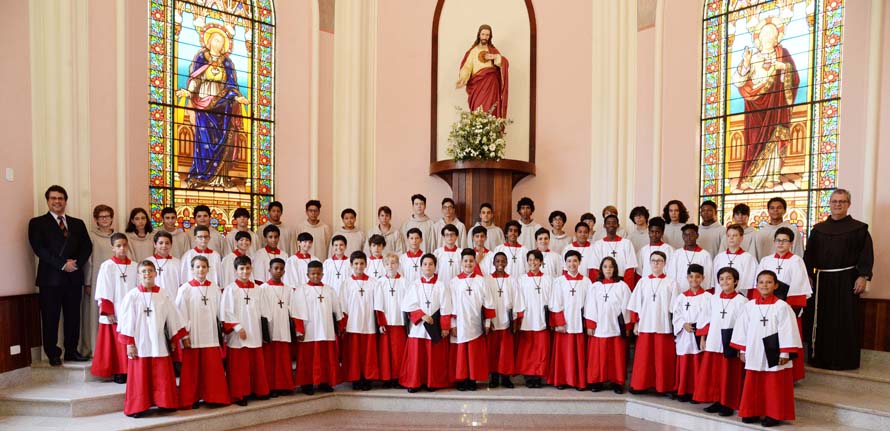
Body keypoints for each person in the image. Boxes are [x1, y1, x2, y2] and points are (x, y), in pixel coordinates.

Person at [804, 189, 874, 371]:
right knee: (822, 320)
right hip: (822, 281)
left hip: (847, 280)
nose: (838, 204)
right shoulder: (818, 230)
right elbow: (808, 256)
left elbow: (866, 255)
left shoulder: (859, 229)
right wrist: (808, 277)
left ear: (848, 204)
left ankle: (845, 360)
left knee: (846, 320)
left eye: (842, 201)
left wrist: (863, 276)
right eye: (835, 201)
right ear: (830, 203)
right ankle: (819, 358)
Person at [176, 27, 248, 188]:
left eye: (221, 41)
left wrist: (237, 97)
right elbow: (196, 77)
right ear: (208, 41)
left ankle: (220, 178)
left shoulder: (227, 62)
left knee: (222, 141)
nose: (218, 43)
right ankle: (200, 175)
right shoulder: (201, 57)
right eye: (216, 39)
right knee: (204, 141)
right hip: (203, 103)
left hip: (223, 107)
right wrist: (188, 91)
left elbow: (231, 85)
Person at [732, 20, 800, 191]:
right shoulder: (753, 57)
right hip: (754, 105)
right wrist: (746, 63)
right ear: (759, 38)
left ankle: (771, 176)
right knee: (754, 141)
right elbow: (739, 81)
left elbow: (794, 77)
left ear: (777, 37)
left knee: (773, 138)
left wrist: (783, 66)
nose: (768, 37)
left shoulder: (782, 54)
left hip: (776, 104)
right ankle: (751, 177)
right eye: (765, 34)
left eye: (772, 34)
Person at [731, 270, 802, 427]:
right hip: (754, 349)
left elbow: (788, 330)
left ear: (775, 285)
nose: (764, 285)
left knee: (773, 384)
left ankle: (773, 414)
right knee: (753, 382)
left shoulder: (782, 307)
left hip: (774, 350)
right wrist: (742, 350)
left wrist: (785, 352)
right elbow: (742, 328)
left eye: (769, 282)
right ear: (756, 285)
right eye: (761, 282)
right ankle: (751, 411)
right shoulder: (749, 306)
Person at [117, 260, 188, 418]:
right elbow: (127, 321)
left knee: (161, 373)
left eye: (150, 271)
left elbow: (172, 317)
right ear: (138, 275)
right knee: (139, 375)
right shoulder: (132, 296)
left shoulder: (163, 294)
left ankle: (165, 403)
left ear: (155, 273)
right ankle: (138, 406)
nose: (147, 274)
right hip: (140, 341)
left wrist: (172, 339)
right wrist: (129, 343)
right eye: (144, 271)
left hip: (159, 341)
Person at [756, 227, 811, 382]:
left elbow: (799, 286)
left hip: (787, 308)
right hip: (766, 307)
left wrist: (790, 309)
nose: (781, 243)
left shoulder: (796, 261)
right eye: (778, 240)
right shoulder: (766, 260)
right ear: (774, 242)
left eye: (785, 240)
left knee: (787, 337)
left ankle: (791, 375)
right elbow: (758, 285)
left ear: (791, 243)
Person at [175, 255, 230, 410]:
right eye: (197, 267)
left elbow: (222, 311)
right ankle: (191, 398)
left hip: (211, 335)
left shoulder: (214, 288)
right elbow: (179, 313)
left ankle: (213, 397)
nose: (201, 270)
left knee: (212, 369)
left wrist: (223, 332)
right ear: (192, 269)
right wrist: (184, 335)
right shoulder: (185, 289)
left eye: (204, 267)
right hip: (193, 335)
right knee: (192, 370)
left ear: (208, 269)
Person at [693, 267, 748, 417]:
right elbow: (705, 318)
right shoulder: (713, 298)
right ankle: (717, 400)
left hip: (731, 343)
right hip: (714, 340)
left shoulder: (742, 301)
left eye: (729, 278)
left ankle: (728, 403)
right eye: (722, 279)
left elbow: (744, 325)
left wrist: (741, 347)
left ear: (736, 281)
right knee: (716, 373)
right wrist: (703, 338)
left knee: (729, 374)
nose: (725, 281)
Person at [220, 256, 271, 406]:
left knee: (255, 364)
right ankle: (239, 394)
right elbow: (226, 311)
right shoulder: (231, 289)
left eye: (247, 268)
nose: (245, 271)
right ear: (236, 271)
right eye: (241, 269)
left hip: (254, 332)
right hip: (239, 334)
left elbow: (264, 310)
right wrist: (237, 327)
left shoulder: (257, 289)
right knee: (239, 367)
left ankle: (258, 390)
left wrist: (265, 331)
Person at [628, 251, 680, 395]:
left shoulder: (671, 282)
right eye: (653, 261)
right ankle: (640, 385)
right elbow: (635, 305)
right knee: (644, 358)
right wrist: (636, 323)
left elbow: (675, 307)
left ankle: (665, 387)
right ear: (649, 263)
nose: (656, 263)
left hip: (663, 325)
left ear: (664, 263)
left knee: (663, 358)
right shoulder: (643, 281)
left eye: (659, 261)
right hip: (645, 323)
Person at [400, 253, 452, 393]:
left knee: (432, 357)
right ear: (421, 267)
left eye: (431, 264)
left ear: (435, 266)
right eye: (425, 264)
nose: (428, 267)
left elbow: (446, 307)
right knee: (417, 356)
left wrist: (445, 327)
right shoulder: (415, 285)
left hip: (434, 326)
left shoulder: (441, 285)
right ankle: (414, 382)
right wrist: (421, 315)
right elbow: (407, 305)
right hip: (418, 326)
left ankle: (431, 382)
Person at [291, 260, 343, 395]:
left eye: (318, 274)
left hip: (326, 329)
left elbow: (337, 309)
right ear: (307, 274)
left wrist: (340, 325)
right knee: (308, 359)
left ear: (323, 274)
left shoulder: (329, 289)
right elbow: (296, 311)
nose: (315, 276)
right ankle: (306, 384)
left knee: (326, 357)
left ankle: (324, 381)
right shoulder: (301, 290)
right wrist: (299, 330)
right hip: (310, 330)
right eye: (313, 273)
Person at [448, 249, 496, 391]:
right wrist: (452, 324)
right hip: (460, 322)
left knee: (474, 353)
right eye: (465, 261)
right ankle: (461, 380)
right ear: (461, 262)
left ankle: (472, 380)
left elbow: (488, 302)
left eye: (471, 260)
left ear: (475, 262)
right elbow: (451, 304)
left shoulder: (481, 281)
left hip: (475, 322)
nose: (468, 263)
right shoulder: (454, 282)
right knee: (461, 353)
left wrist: (487, 322)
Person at [91, 233, 135, 382]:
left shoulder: (135, 266)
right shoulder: (107, 266)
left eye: (124, 245)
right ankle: (119, 371)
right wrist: (108, 311)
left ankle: (131, 370)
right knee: (116, 343)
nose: (122, 249)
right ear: (113, 248)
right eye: (118, 246)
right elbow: (104, 288)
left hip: (130, 309)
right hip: (114, 309)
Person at [584, 257, 632, 393]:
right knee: (598, 357)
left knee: (616, 357)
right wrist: (590, 325)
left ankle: (617, 382)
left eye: (611, 267)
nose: (608, 269)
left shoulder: (622, 286)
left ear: (615, 269)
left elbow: (627, 307)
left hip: (616, 327)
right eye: (605, 267)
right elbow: (590, 306)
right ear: (601, 269)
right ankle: (597, 381)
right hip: (599, 327)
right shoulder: (595, 286)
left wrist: (627, 327)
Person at [549, 250, 590, 390]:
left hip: (579, 323)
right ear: (565, 263)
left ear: (579, 262)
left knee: (578, 354)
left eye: (575, 261)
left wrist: (587, 323)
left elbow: (590, 304)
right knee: (563, 354)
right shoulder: (559, 281)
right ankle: (561, 380)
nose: (572, 264)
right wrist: (559, 322)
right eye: (569, 261)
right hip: (564, 324)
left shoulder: (586, 281)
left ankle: (579, 381)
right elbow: (555, 303)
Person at [339, 251, 380, 391]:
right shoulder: (346, 283)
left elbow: (378, 304)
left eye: (362, 263)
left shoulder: (374, 282)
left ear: (366, 265)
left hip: (368, 323)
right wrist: (344, 323)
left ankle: (367, 378)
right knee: (354, 354)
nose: (359, 266)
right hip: (353, 324)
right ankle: (355, 379)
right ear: (351, 265)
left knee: (368, 354)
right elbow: (343, 305)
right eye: (356, 263)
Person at [81, 204, 117, 357]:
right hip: (96, 279)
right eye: (101, 217)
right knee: (95, 314)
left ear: (111, 218)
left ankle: (115, 349)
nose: (105, 219)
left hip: (116, 282)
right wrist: (88, 281)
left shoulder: (119, 236)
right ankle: (96, 349)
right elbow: (88, 260)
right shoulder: (91, 236)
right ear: (96, 219)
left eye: (107, 216)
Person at [671, 264, 709, 403]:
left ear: (702, 278)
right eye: (691, 276)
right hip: (684, 333)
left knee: (697, 363)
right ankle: (683, 390)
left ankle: (696, 392)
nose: (694, 279)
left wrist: (702, 333)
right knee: (684, 362)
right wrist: (683, 324)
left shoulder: (707, 297)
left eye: (697, 276)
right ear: (687, 278)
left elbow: (708, 316)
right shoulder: (681, 297)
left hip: (699, 335)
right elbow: (676, 314)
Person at [514, 250, 552, 388]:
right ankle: (529, 377)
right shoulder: (521, 279)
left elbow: (551, 300)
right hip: (528, 319)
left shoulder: (548, 279)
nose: (533, 262)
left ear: (541, 262)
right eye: (530, 260)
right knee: (528, 351)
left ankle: (538, 376)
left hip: (542, 318)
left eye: (536, 260)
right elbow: (518, 299)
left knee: (541, 350)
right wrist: (519, 317)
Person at [456, 24, 509, 119]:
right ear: (479, 35)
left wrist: (495, 57)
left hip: (491, 86)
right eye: (483, 34)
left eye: (487, 35)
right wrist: (462, 78)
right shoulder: (473, 51)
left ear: (490, 36)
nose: (485, 37)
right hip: (477, 87)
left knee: (491, 110)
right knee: (478, 110)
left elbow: (504, 63)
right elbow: (467, 67)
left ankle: (492, 132)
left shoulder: (493, 51)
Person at [486, 253, 521, 389]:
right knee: (493, 351)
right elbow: (486, 300)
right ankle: (494, 377)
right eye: (497, 261)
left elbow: (517, 299)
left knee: (506, 351)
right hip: (494, 319)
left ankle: (506, 378)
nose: (500, 263)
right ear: (493, 263)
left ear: (507, 263)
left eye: (503, 261)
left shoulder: (512, 280)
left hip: (507, 320)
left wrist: (515, 320)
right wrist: (488, 321)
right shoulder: (488, 280)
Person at [262, 258, 296, 396]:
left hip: (284, 327)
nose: (278, 271)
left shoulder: (288, 289)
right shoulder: (263, 288)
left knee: (283, 358)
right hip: (270, 327)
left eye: (281, 269)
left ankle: (285, 385)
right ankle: (271, 387)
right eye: (275, 268)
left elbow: (293, 309)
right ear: (269, 270)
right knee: (270, 360)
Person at [375, 253, 409, 388]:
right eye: (388, 263)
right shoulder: (380, 282)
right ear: (384, 265)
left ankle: (399, 378)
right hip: (386, 323)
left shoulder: (404, 282)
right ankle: (387, 378)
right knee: (386, 353)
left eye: (394, 263)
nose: (391, 266)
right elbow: (378, 304)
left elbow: (408, 302)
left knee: (398, 353)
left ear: (398, 265)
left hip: (399, 322)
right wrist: (381, 323)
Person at [590, 215, 638, 289]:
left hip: (622, 282)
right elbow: (595, 268)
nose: (611, 225)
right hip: (603, 283)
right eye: (608, 223)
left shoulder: (626, 243)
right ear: (604, 225)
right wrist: (599, 285)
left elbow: (630, 268)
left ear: (618, 225)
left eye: (614, 223)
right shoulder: (598, 244)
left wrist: (627, 287)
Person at [712, 224, 756, 297]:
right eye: (729, 236)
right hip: (720, 296)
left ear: (741, 238)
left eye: (735, 235)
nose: (731, 238)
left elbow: (748, 282)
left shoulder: (748, 258)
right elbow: (715, 280)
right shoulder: (719, 257)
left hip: (739, 297)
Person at [667, 224, 713, 293]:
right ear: (682, 236)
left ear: (697, 235)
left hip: (699, 294)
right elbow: (671, 276)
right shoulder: (677, 254)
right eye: (686, 235)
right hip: (679, 292)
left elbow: (708, 277)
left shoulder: (705, 255)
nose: (688, 237)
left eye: (691, 235)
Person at [145, 231, 182, 299]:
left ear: (171, 245)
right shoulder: (147, 262)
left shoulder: (178, 263)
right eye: (161, 243)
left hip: (173, 299)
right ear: (155, 244)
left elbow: (181, 285)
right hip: (153, 299)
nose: (164, 245)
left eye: (167, 243)